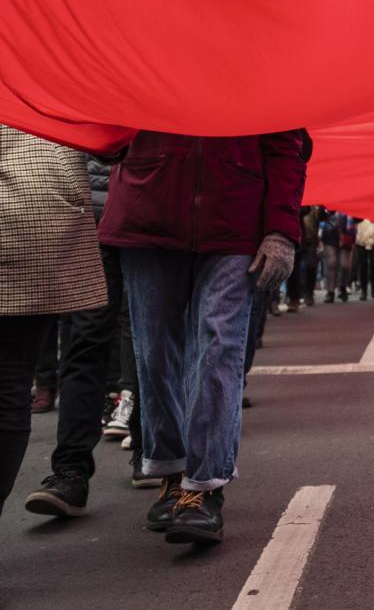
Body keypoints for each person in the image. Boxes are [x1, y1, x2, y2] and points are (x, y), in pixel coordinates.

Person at [100, 130, 307, 546]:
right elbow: (104, 121)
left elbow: (287, 141)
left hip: (235, 216)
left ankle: (204, 487)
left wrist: (281, 229)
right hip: (149, 208)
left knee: (218, 348)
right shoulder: (143, 61)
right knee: (155, 353)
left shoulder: (269, 65)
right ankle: (173, 475)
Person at [1, 126, 108, 518]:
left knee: (13, 380)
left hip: (37, 211)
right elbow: (111, 142)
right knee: (10, 383)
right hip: (41, 213)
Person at [22, 152, 133, 517]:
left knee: (153, 341)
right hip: (90, 221)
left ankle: (156, 449)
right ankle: (70, 471)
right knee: (85, 343)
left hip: (151, 218)